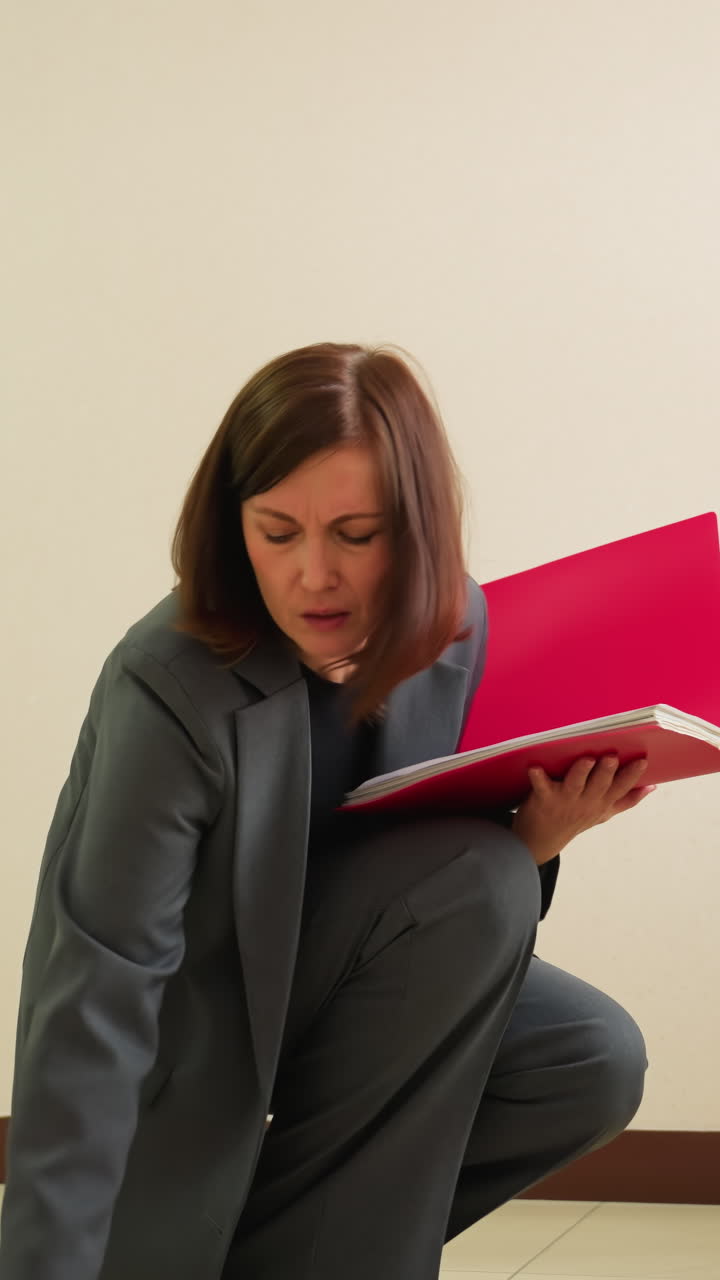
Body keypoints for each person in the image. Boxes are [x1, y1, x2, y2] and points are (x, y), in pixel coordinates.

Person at [0, 342, 653, 1280]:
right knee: (481, 877)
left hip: (333, 986)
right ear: (233, 528)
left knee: (585, 1055)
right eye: (277, 532)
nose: (313, 574)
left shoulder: (459, 628)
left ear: (416, 529)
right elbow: (98, 989)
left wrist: (534, 840)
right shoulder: (168, 680)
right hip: (197, 1021)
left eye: (355, 534)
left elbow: (424, 888)